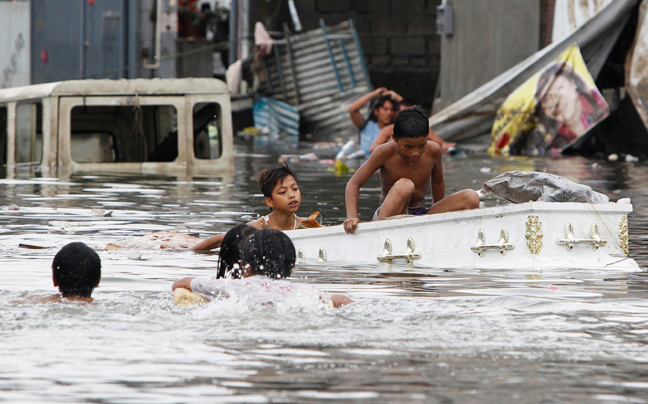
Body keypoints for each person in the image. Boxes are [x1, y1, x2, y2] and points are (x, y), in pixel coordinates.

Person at [343, 107, 480, 235]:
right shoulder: (384, 152)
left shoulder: (434, 150)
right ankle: (380, 236)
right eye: (408, 147)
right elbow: (353, 184)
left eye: (422, 145)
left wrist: (440, 218)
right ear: (395, 138)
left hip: (420, 214)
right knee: (405, 185)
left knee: (471, 197)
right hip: (387, 216)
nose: (415, 153)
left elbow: (438, 182)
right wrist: (352, 217)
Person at [174, 229, 353, 308]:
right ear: (290, 267)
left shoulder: (232, 287)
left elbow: (180, 284)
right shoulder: (297, 292)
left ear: (246, 264)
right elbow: (344, 300)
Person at [191, 164, 317, 251]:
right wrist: (189, 252)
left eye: (295, 189)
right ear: (269, 201)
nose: (292, 195)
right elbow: (220, 240)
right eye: (282, 192)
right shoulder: (257, 228)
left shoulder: (307, 225)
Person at [534, 62, 609, 150]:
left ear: (572, 83)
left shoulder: (600, 103)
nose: (556, 101)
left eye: (560, 88)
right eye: (546, 99)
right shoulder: (549, 140)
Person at [369, 99, 456, 154]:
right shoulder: (388, 130)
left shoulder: (423, 128)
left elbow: (440, 144)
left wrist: (446, 146)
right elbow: (372, 149)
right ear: (397, 114)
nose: (409, 118)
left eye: (412, 114)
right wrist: (394, 146)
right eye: (405, 114)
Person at [348, 87, 402, 155]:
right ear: (376, 111)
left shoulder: (396, 130)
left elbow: (414, 116)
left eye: (392, 110)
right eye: (385, 109)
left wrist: (397, 97)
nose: (389, 113)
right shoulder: (366, 126)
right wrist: (374, 94)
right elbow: (352, 109)